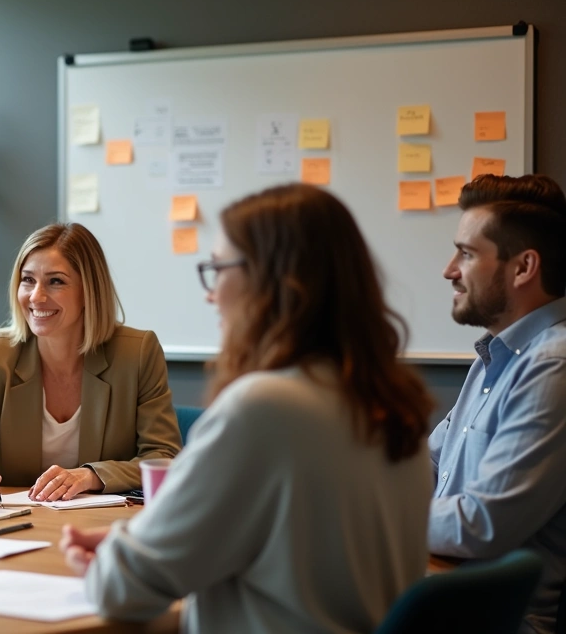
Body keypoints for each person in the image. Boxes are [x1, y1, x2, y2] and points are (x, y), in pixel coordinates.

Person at [62, 184, 434, 633]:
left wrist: (117, 554)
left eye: (218, 268)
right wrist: (142, 540)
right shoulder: (392, 405)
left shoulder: (262, 408)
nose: (211, 293)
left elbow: (125, 588)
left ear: (274, 278)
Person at [0, 222, 180, 506]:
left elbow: (163, 456)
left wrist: (91, 476)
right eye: (28, 280)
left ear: (89, 291)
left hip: (106, 525)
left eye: (56, 281)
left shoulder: (137, 353)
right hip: (16, 522)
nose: (36, 296)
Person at [429, 173, 566, 634]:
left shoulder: (555, 365)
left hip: (497, 622)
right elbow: (429, 465)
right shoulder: (497, 353)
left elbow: (483, 524)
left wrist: (367, 517)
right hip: (444, 591)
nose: (450, 270)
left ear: (523, 267)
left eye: (466, 254)